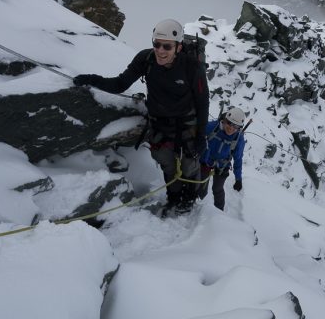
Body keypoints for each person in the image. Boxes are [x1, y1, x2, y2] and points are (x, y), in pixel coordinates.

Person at [73, 19, 209, 214]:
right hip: (160, 125)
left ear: (178, 47)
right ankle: (174, 199)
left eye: (167, 46)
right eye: (156, 44)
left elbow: (203, 102)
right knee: (167, 165)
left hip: (187, 125)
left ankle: (188, 200)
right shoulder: (146, 60)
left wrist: (201, 136)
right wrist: (91, 79)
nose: (160, 50)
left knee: (189, 166)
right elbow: (120, 84)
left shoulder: (192, 68)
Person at [198, 107, 246, 211]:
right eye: (229, 123)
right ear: (224, 120)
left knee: (218, 189)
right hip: (205, 161)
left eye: (236, 126)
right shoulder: (211, 127)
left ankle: (219, 214)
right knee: (201, 185)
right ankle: (198, 207)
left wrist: (238, 179)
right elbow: (197, 137)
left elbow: (238, 159)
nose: (231, 128)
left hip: (222, 166)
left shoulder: (238, 138)